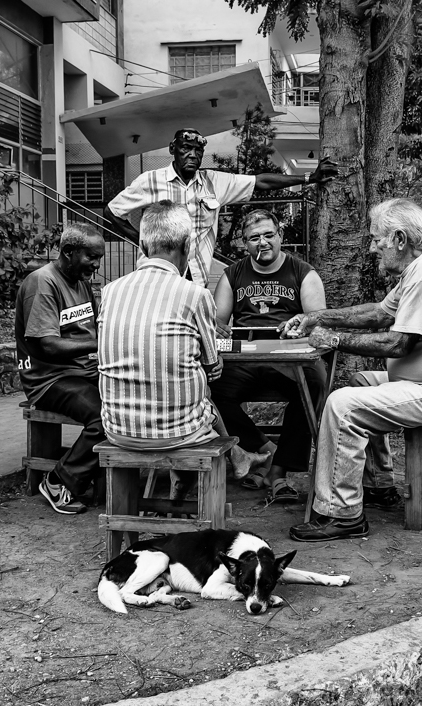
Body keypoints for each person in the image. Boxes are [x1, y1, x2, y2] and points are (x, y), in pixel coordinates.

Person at [281, 198, 422, 542]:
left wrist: (332, 340)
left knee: (343, 404)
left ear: (400, 239)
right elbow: (377, 314)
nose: (373, 247)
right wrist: (315, 317)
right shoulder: (419, 270)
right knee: (360, 382)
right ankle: (378, 482)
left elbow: (397, 344)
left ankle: (341, 513)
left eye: (377, 239)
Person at [96, 201, 224, 500]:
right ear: (187, 245)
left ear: (142, 244)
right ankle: (226, 467)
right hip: (180, 434)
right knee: (204, 395)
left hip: (116, 429)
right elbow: (212, 363)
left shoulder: (109, 291)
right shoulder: (196, 295)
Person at [104, 128, 338, 284]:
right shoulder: (150, 181)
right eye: (186, 148)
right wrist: (143, 242)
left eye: (198, 150)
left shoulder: (213, 182)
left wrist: (309, 178)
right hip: (155, 276)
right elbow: (112, 211)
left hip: (195, 277)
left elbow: (260, 181)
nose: (192, 155)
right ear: (172, 149)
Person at [210, 209, 328, 503]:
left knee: (315, 381)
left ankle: (278, 472)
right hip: (245, 359)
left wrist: (300, 326)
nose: (262, 242)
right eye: (253, 238)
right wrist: (219, 329)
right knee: (207, 387)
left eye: (268, 235)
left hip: (288, 358)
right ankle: (265, 451)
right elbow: (217, 322)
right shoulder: (232, 274)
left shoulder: (303, 272)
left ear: (280, 237)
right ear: (244, 244)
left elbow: (317, 321)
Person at [15, 222, 106, 516]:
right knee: (104, 417)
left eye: (98, 258)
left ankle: (108, 482)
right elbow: (48, 346)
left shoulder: (80, 281)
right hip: (50, 379)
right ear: (68, 251)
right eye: (91, 256)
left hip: (83, 371)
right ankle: (57, 480)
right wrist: (100, 344)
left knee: (130, 404)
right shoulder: (42, 282)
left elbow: (91, 330)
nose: (96, 264)